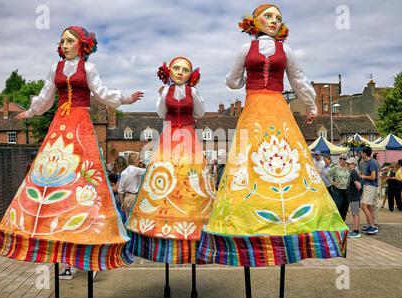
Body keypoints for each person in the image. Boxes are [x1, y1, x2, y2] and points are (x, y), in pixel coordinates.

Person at [198, 3, 348, 268]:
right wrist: (242, 80)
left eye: (278, 18)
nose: (274, 21)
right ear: (254, 22)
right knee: (251, 160)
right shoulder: (246, 49)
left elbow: (299, 80)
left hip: (273, 105)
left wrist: (312, 105)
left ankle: (286, 216)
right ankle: (251, 216)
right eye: (268, 16)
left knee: (283, 157)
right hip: (257, 107)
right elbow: (232, 81)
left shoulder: (285, 50)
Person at [0, 26, 143, 275]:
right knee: (54, 171)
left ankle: (86, 227)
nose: (65, 44)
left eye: (70, 40)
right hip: (61, 121)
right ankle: (49, 221)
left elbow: (102, 92)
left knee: (84, 172)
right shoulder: (55, 68)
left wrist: (125, 99)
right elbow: (46, 95)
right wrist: (31, 111)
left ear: (82, 45)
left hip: (80, 121)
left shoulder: (88, 68)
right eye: (62, 41)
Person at [125, 57, 216, 265]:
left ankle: (191, 218)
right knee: (167, 174)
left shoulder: (193, 92)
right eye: (176, 68)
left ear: (191, 74)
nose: (180, 72)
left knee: (188, 176)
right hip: (169, 137)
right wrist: (161, 94)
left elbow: (200, 112)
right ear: (169, 71)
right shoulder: (166, 91)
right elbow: (160, 113)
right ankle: (165, 219)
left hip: (188, 136)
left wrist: (195, 94)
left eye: (185, 69)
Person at [118, 153, 146, 217]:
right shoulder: (135, 169)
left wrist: (122, 202)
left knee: (128, 219)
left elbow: (120, 190)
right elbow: (148, 170)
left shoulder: (123, 172)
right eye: (139, 159)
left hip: (127, 198)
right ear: (135, 160)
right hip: (134, 197)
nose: (140, 160)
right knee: (135, 219)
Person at [360, 146, 379, 234]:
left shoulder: (372, 162)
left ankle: (372, 226)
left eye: (362, 152)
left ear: (364, 153)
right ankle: (370, 224)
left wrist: (363, 176)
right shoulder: (365, 162)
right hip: (367, 186)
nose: (361, 154)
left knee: (363, 206)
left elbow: (373, 177)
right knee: (369, 206)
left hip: (370, 186)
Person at [326, 154, 350, 221]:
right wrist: (332, 182)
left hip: (346, 191)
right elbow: (327, 174)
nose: (342, 160)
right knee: (338, 207)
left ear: (346, 160)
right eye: (341, 158)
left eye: (344, 159)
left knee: (345, 207)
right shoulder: (336, 167)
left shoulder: (348, 168)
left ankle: (343, 222)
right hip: (338, 191)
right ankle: (337, 222)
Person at [346, 157, 362, 238]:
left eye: (349, 164)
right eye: (347, 164)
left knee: (355, 214)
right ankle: (356, 230)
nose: (347, 165)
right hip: (353, 196)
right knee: (354, 213)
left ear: (353, 164)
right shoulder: (353, 172)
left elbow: (359, 186)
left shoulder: (353, 173)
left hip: (354, 196)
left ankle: (356, 231)